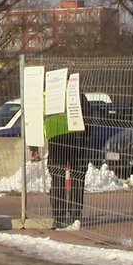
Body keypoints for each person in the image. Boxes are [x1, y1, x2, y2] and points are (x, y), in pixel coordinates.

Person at [45, 92, 90, 228]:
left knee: (58, 178)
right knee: (77, 177)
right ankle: (75, 216)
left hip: (56, 140)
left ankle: (58, 217)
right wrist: (86, 136)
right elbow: (89, 119)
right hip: (78, 141)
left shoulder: (51, 96)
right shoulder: (79, 96)